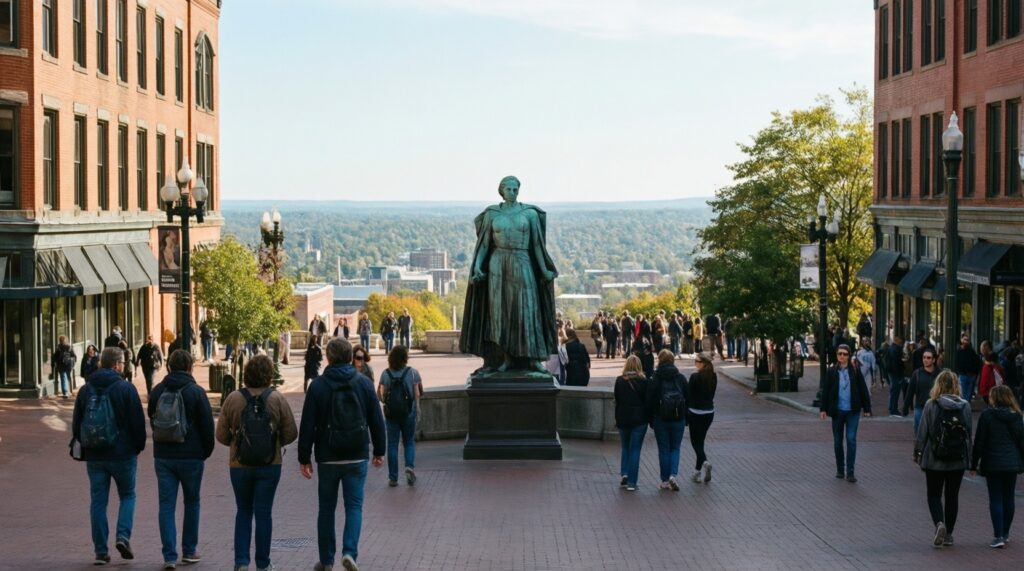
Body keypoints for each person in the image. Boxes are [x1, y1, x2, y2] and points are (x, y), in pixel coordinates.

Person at [299, 338, 386, 571]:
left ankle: (327, 560)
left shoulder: (317, 386)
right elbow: (377, 420)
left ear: (328, 357)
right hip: (357, 454)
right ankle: (349, 552)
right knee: (354, 506)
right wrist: (379, 450)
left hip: (327, 455)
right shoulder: (364, 383)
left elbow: (307, 424)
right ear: (350, 357)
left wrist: (304, 457)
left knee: (326, 508)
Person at [459, 175, 559, 373]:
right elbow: (484, 245)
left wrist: (544, 269)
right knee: (500, 313)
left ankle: (532, 359)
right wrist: (478, 267)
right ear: (502, 191)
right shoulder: (492, 214)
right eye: (509, 189)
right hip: (498, 265)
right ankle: (504, 358)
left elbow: (537, 245)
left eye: (515, 189)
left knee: (527, 310)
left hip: (523, 262)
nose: (512, 193)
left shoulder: (529, 213)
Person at [217, 354, 298, 571]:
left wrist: (237, 441)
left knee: (243, 510)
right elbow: (291, 433)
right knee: (264, 512)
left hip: (239, 465)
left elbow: (221, 436)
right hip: (270, 464)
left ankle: (241, 562)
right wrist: (275, 439)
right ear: (269, 375)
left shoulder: (233, 399)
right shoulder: (277, 398)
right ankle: (263, 563)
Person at [71, 347, 146, 566]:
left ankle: (100, 552)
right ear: (116, 364)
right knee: (128, 495)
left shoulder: (86, 390)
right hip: (123, 454)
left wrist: (85, 444)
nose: (124, 365)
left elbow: (77, 424)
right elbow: (137, 424)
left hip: (95, 455)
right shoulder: (125, 388)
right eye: (123, 362)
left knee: (98, 501)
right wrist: (137, 447)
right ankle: (123, 536)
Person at [147, 349, 215, 569]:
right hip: (191, 456)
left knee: (166, 505)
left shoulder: (157, 391)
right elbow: (207, 426)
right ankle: (189, 550)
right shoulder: (196, 391)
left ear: (168, 366)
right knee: (192, 502)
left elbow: (152, 419)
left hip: (164, 456)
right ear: (189, 367)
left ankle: (169, 555)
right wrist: (204, 451)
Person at [914, 370, 971, 548]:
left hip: (934, 458)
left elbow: (922, 432)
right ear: (956, 385)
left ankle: (939, 523)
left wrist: (918, 452)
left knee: (934, 495)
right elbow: (968, 433)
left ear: (937, 384)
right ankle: (949, 535)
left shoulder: (931, 404)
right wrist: (969, 458)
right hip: (957, 459)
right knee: (952, 496)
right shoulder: (965, 406)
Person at [971, 385, 1024, 548]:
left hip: (992, 463)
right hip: (1011, 463)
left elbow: (979, 442)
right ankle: (1006, 533)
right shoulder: (1016, 416)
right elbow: (1022, 442)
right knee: (1008, 497)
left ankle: (998, 535)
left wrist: (974, 464)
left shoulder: (987, 415)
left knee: (995, 498)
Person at [819, 343, 871, 482]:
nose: (842, 356)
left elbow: (863, 389)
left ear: (849, 356)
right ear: (836, 355)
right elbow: (826, 391)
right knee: (837, 441)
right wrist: (823, 409)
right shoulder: (831, 372)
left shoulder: (854, 370)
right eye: (839, 354)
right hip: (837, 411)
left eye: (845, 354)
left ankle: (851, 472)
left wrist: (867, 408)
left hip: (852, 411)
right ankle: (840, 470)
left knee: (851, 439)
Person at [377, 345, 423, 487]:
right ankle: (409, 467)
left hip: (391, 414)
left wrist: (386, 401)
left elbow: (379, 394)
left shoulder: (385, 374)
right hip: (409, 412)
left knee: (392, 444)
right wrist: (417, 408)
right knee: (408, 441)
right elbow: (418, 392)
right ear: (405, 358)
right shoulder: (413, 373)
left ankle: (393, 477)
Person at [646, 349, 688, 491]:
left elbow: (649, 399)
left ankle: (664, 480)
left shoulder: (656, 377)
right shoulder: (680, 377)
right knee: (675, 448)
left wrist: (650, 419)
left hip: (660, 417)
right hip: (678, 417)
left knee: (663, 449)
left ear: (660, 360)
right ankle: (673, 475)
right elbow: (688, 398)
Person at [614, 356, 649, 491]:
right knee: (635, 450)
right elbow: (647, 401)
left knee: (625, 447)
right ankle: (632, 483)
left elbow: (617, 399)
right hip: (639, 419)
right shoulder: (644, 382)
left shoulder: (619, 380)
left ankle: (625, 474)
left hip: (623, 417)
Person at [688, 352, 717, 484]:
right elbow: (712, 395)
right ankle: (696, 472)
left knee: (696, 442)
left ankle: (705, 462)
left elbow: (689, 395)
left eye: (697, 361)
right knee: (701, 441)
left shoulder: (694, 377)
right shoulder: (713, 376)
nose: (695, 363)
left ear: (704, 363)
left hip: (695, 412)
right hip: (709, 412)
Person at [904, 347, 941, 435]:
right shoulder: (917, 373)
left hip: (936, 408)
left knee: (935, 434)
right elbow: (910, 391)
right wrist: (905, 407)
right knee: (920, 434)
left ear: (933, 360)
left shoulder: (940, 374)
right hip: (920, 408)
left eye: (928, 358)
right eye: (924, 357)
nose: (925, 360)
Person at [956, 334, 983, 402]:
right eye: (964, 339)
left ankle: (966, 408)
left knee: (968, 396)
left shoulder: (972, 351)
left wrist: (975, 374)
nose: (966, 341)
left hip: (971, 376)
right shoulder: (958, 351)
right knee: (964, 395)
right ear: (961, 340)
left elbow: (977, 362)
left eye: (967, 340)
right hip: (963, 375)